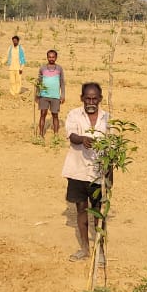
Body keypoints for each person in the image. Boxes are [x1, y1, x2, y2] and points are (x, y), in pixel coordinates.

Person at [61, 83, 109, 264]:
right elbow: (71, 135)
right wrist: (82, 139)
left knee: (98, 212)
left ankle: (100, 250)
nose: (91, 102)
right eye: (87, 98)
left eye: (94, 98)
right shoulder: (74, 114)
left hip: (97, 173)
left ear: (100, 99)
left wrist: (109, 177)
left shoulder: (107, 119)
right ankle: (84, 249)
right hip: (77, 171)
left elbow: (111, 150)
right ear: (82, 98)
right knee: (81, 210)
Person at [37, 50, 66, 137]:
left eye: (53, 57)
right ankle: (41, 134)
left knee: (55, 115)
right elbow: (39, 82)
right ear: (47, 57)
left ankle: (56, 135)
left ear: (56, 58)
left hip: (55, 96)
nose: (51, 59)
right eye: (49, 57)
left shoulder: (59, 68)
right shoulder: (42, 68)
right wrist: (37, 95)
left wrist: (63, 95)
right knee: (43, 114)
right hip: (44, 95)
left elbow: (62, 82)